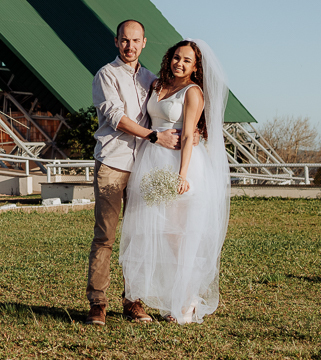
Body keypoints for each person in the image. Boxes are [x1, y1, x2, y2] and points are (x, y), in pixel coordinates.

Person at [120, 39, 231, 324]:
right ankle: (165, 299)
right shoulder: (158, 85)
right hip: (151, 160)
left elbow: (190, 137)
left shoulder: (193, 93)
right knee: (153, 233)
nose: (179, 64)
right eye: (176, 58)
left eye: (186, 61)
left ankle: (187, 299)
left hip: (179, 165)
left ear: (196, 68)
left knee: (178, 237)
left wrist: (182, 176)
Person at [85, 20, 182, 326]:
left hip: (143, 167)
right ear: (116, 42)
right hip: (113, 163)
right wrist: (153, 136)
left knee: (139, 235)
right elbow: (116, 117)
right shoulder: (106, 75)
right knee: (106, 236)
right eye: (124, 40)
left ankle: (133, 301)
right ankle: (98, 303)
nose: (130, 46)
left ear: (144, 43)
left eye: (135, 41)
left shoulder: (153, 80)